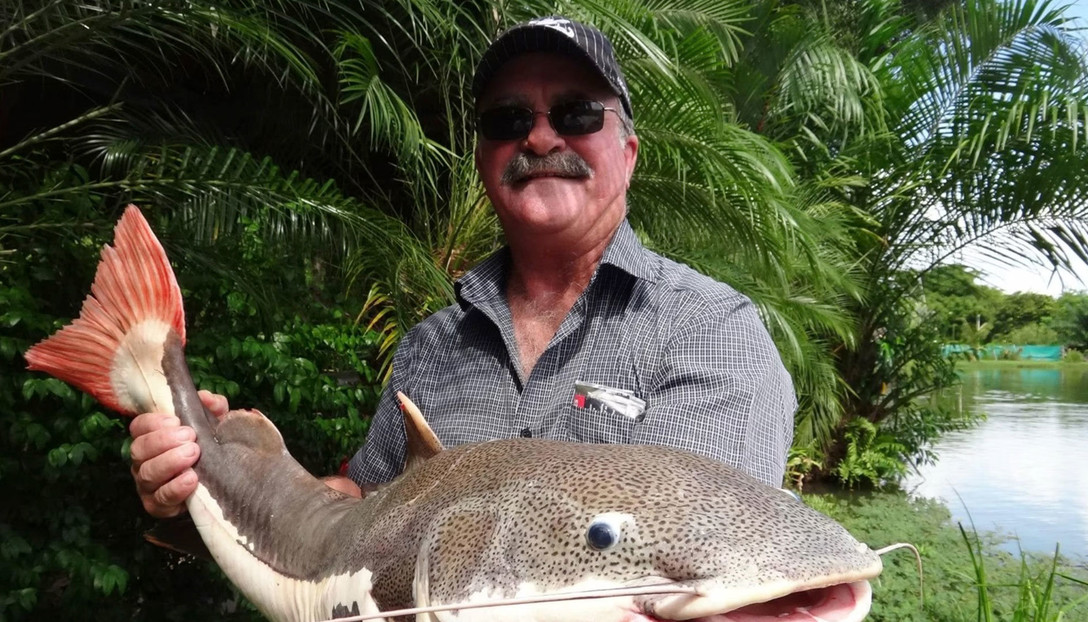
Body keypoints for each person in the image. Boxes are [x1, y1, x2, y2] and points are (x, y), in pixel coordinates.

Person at [128, 16, 797, 518]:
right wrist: (217, 476)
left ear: (628, 153)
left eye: (576, 113)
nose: (539, 137)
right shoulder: (431, 345)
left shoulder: (711, 332)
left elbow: (695, 562)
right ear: (483, 163)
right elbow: (362, 500)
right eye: (508, 119)